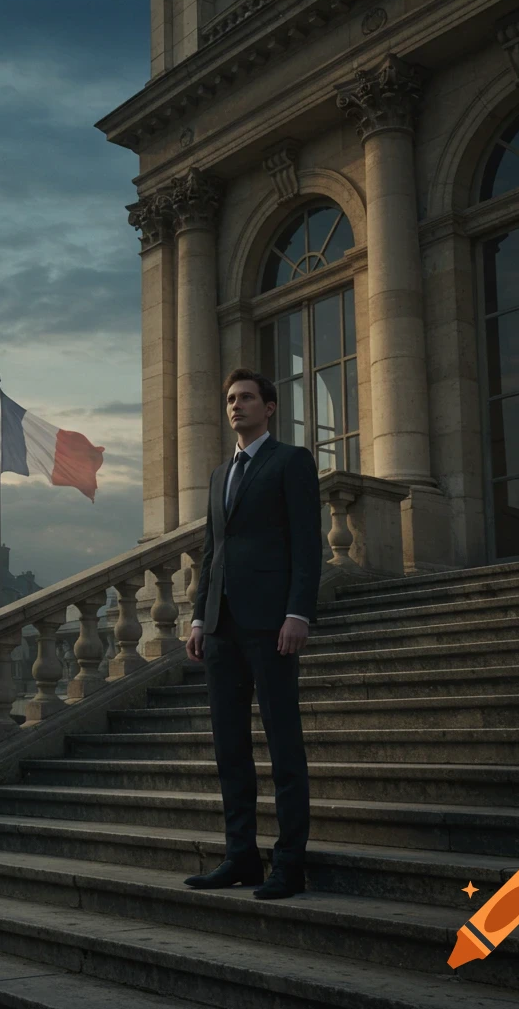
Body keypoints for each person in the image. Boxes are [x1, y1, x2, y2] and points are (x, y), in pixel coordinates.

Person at [184, 368, 322, 900]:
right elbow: (210, 552)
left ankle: (290, 864)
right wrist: (199, 618)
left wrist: (298, 614)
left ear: (269, 408)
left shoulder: (291, 462)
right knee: (230, 749)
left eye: (245, 398)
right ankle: (241, 856)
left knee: (284, 745)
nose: (235, 406)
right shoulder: (221, 474)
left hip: (271, 625)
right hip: (221, 627)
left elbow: (307, 545)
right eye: (230, 400)